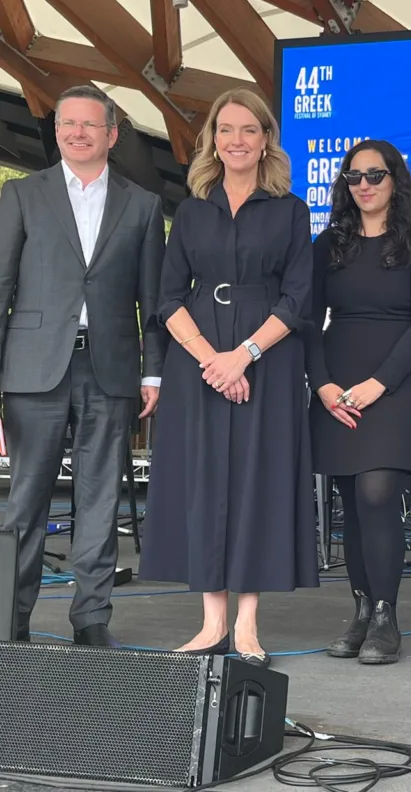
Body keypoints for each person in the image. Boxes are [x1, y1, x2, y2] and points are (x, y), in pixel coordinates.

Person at [139, 88, 318, 666]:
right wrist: (210, 360)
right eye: (225, 129)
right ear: (212, 140)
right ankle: (210, 620)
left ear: (266, 140)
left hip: (266, 359)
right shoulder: (191, 210)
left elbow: (297, 298)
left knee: (255, 484)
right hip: (199, 365)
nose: (235, 140)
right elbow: (168, 296)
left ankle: (246, 625)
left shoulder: (290, 210)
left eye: (248, 129)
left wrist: (241, 356)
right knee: (205, 481)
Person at [0, 85, 165, 647]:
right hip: (32, 369)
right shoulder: (22, 195)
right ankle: (11, 616)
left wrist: (153, 371)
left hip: (112, 369)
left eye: (89, 124)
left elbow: (154, 301)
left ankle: (91, 618)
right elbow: (0, 288)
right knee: (26, 499)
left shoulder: (142, 205)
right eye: (67, 123)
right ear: (56, 131)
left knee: (100, 500)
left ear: (112, 134)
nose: (77, 132)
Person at [307, 140, 411, 666]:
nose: (364, 184)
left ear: (395, 181)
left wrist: (378, 383)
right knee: (351, 501)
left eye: (375, 175)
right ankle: (361, 612)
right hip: (337, 389)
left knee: (377, 491)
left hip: (395, 385)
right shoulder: (328, 246)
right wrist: (321, 385)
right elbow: (306, 324)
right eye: (354, 176)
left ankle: (387, 617)